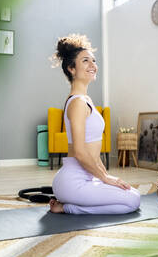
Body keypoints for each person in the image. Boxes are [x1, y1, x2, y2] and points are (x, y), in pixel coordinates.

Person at [48, 33, 141, 214]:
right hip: (73, 181)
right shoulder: (77, 103)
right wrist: (105, 178)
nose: (93, 65)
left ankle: (71, 204)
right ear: (71, 69)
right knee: (132, 201)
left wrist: (106, 176)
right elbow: (81, 153)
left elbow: (93, 152)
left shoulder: (85, 100)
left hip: (87, 177)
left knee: (132, 192)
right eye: (85, 61)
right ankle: (68, 208)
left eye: (94, 60)